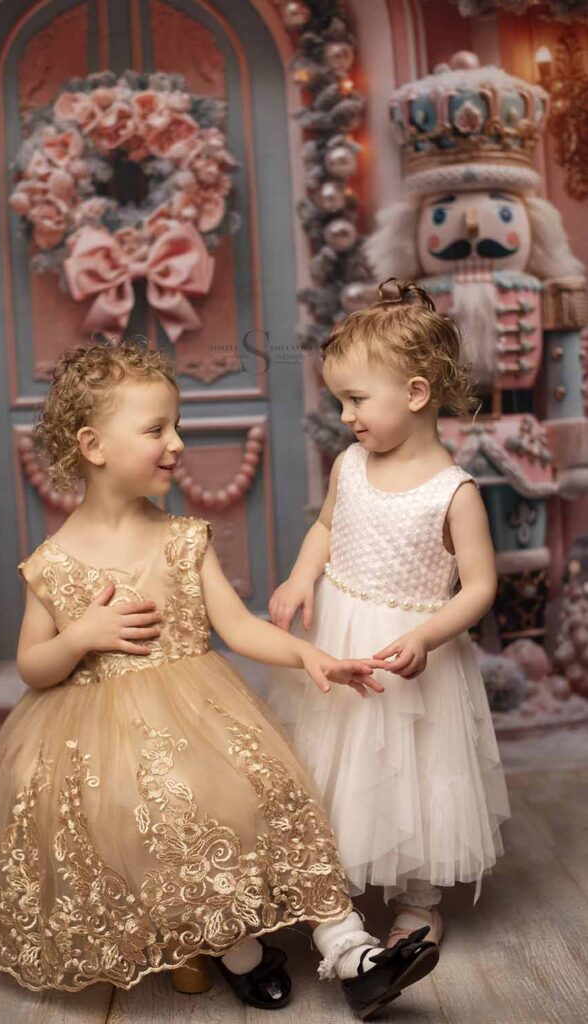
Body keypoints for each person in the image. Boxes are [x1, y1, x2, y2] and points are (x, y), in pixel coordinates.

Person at [0, 338, 438, 1019]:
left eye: (177, 424)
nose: (177, 442)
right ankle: (245, 956)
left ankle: (353, 953)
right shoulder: (53, 562)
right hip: (104, 745)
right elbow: (33, 667)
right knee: (168, 822)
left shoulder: (182, 537)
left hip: (201, 716)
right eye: (157, 429)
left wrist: (308, 655)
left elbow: (239, 627)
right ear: (93, 445)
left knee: (274, 797)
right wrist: (80, 637)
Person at [269, 279, 511, 948]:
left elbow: (479, 588)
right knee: (334, 758)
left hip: (410, 651)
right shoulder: (350, 463)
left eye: (355, 399)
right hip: (340, 639)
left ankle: (416, 898)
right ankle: (330, 887)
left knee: (413, 769)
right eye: (341, 400)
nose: (346, 416)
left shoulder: (451, 491)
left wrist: (428, 636)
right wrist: (299, 578)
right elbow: (325, 526)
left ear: (414, 394)